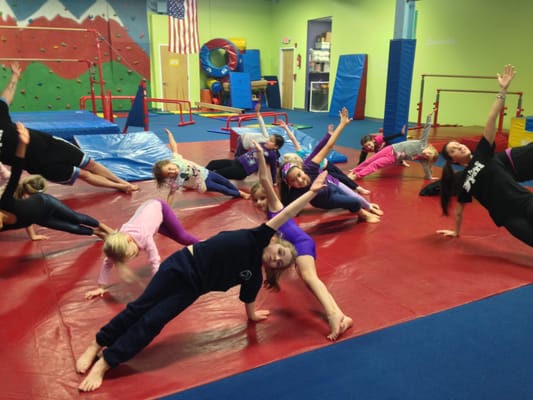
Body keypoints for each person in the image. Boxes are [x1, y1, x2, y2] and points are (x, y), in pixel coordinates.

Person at [75, 170, 328, 393]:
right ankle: (97, 342)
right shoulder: (258, 237)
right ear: (277, 243)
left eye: (278, 264)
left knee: (154, 321)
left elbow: (249, 302)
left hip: (192, 288)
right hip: (180, 266)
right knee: (140, 308)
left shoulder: (252, 275)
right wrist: (311, 192)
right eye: (280, 253)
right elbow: (288, 213)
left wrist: (253, 316)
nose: (275, 259)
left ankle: (106, 362)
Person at [251, 140, 352, 340]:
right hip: (296, 244)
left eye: (264, 198)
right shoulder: (270, 216)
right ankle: (341, 315)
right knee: (309, 280)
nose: (261, 202)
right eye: (256, 200)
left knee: (309, 278)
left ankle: (333, 316)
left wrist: (261, 156)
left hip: (301, 243)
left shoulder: (275, 206)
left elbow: (264, 179)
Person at [0, 62, 138, 193]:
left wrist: (14, 77)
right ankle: (119, 186)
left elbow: (6, 97)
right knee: (84, 174)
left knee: (90, 164)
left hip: (51, 144)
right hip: (42, 165)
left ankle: (123, 182)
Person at [437, 64, 533, 246]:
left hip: (525, 202)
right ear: (452, 159)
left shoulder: (484, 152)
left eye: (458, 145)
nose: (459, 148)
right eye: (453, 150)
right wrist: (456, 232)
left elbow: (491, 118)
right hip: (509, 219)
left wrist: (503, 91)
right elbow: (459, 208)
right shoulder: (463, 181)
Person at [0, 122, 114, 240]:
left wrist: (22, 145)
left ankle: (103, 226)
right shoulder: (3, 227)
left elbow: (16, 171)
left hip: (45, 204)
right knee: (71, 228)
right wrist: (33, 235)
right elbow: (24, 219)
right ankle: (97, 232)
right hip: (41, 219)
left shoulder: (5, 202)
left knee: (76, 218)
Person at [279, 107, 382, 223]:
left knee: (354, 196)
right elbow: (287, 210)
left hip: (330, 183)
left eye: (299, 175)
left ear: (301, 168)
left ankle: (368, 206)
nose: (300, 180)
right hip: (327, 199)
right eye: (294, 181)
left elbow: (327, 146)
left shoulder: (309, 167)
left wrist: (342, 125)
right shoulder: (295, 192)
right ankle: (363, 215)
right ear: (289, 184)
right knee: (355, 202)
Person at [85, 198, 200, 300]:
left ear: (130, 241)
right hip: (148, 213)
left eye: (133, 254)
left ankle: (209, 245)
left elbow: (155, 261)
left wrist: (158, 286)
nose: (135, 256)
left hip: (159, 207)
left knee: (182, 237)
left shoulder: (145, 237)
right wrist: (101, 287)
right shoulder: (118, 242)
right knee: (167, 231)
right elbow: (107, 263)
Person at [152, 129, 250, 203]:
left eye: (170, 169)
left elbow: (174, 147)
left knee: (225, 182)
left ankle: (237, 191)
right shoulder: (175, 181)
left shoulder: (175, 159)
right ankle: (240, 193)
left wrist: (170, 135)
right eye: (169, 174)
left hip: (206, 172)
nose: (172, 172)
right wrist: (166, 209)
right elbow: (171, 194)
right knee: (223, 189)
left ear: (169, 163)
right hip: (203, 184)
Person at [279, 120, 371, 195]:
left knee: (343, 176)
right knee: (340, 179)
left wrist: (286, 128)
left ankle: (358, 188)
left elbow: (293, 139)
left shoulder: (300, 151)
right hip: (324, 170)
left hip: (328, 163)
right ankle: (352, 192)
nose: (297, 158)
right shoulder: (304, 166)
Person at [347, 112, 439, 180]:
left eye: (428, 157)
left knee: (376, 164)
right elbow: (426, 130)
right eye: (429, 153)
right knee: (371, 160)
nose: (426, 154)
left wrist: (429, 177)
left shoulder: (422, 159)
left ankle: (357, 176)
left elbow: (426, 167)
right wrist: (429, 118)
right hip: (390, 148)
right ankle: (355, 170)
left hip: (393, 157)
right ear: (429, 148)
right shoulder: (422, 143)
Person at [205, 112, 284, 183]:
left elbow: (273, 169)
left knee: (218, 173)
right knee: (213, 163)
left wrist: (274, 182)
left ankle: (204, 180)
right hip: (236, 162)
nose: (267, 140)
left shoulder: (272, 155)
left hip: (242, 170)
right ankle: (201, 174)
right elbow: (250, 150)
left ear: (276, 146)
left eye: (271, 141)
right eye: (269, 139)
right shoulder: (262, 143)